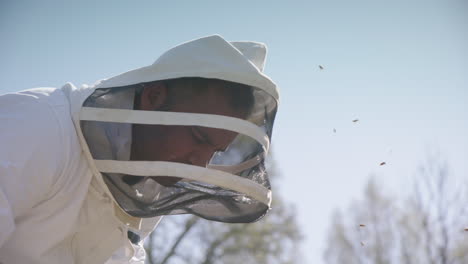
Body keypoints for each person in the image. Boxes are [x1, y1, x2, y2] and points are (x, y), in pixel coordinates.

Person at [0, 35, 279, 264]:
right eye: (197, 136)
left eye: (216, 151)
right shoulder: (36, 125)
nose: (199, 163)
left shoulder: (144, 185)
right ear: (154, 97)